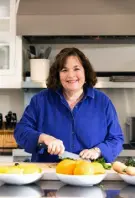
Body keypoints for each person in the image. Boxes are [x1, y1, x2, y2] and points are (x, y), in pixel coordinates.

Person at [14, 47, 124, 163]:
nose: (71, 75)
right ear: (57, 75)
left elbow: (116, 139)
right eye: (64, 70)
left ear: (85, 72)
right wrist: (44, 138)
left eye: (76, 69)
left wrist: (98, 151)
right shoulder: (40, 101)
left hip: (90, 174)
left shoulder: (103, 102)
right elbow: (20, 131)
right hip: (49, 175)